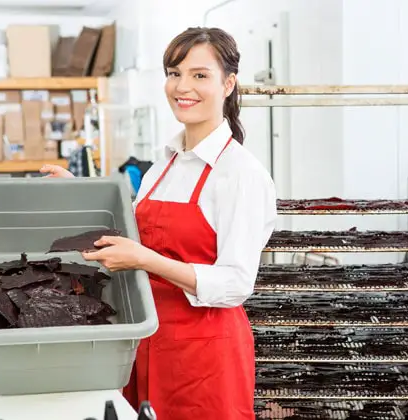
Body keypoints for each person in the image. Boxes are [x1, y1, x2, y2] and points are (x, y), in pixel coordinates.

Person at [40, 26, 277, 419]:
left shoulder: (240, 174)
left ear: (229, 83)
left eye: (200, 75)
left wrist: (146, 261)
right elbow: (133, 239)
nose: (183, 86)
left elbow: (236, 283)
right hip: (144, 340)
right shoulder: (164, 162)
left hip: (203, 356)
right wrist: (78, 194)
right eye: (174, 73)